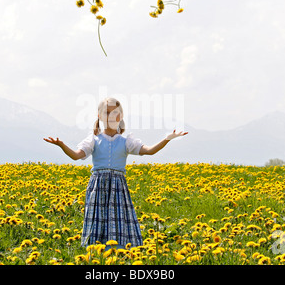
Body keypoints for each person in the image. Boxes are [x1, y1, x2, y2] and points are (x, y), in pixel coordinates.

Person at [43, 97, 188, 251]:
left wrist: (167, 139)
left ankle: (120, 250)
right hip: (98, 186)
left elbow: (149, 151)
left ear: (121, 116)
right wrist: (61, 145)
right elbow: (76, 155)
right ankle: (96, 252)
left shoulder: (126, 140)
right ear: (99, 116)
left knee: (119, 217)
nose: (111, 116)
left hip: (118, 186)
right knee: (97, 217)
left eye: (115, 113)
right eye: (107, 113)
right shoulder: (94, 139)